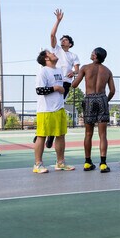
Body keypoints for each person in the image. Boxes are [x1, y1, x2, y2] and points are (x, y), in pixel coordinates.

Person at [70, 47, 115, 173]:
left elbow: (74, 85)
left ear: (95, 55)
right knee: (103, 135)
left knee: (88, 134)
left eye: (92, 52)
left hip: (89, 99)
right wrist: (106, 100)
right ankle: (103, 164)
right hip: (102, 99)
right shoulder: (107, 71)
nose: (91, 54)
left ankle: (87, 162)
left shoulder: (85, 68)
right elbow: (112, 91)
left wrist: (74, 75)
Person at [33, 50, 76, 173]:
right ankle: (38, 164)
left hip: (59, 108)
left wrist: (69, 78)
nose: (53, 53)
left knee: (61, 135)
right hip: (45, 110)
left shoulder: (58, 70)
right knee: (41, 136)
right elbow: (39, 90)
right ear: (46, 58)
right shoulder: (43, 71)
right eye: (50, 53)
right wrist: (56, 88)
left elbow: (63, 85)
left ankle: (60, 163)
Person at [46, 9, 80, 149]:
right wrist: (58, 21)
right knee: (48, 108)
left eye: (65, 39)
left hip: (65, 84)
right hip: (53, 82)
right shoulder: (56, 50)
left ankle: (51, 135)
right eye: (62, 39)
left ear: (70, 44)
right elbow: (52, 34)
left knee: (58, 108)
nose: (62, 40)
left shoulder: (73, 55)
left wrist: (73, 71)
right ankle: (45, 132)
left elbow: (77, 69)